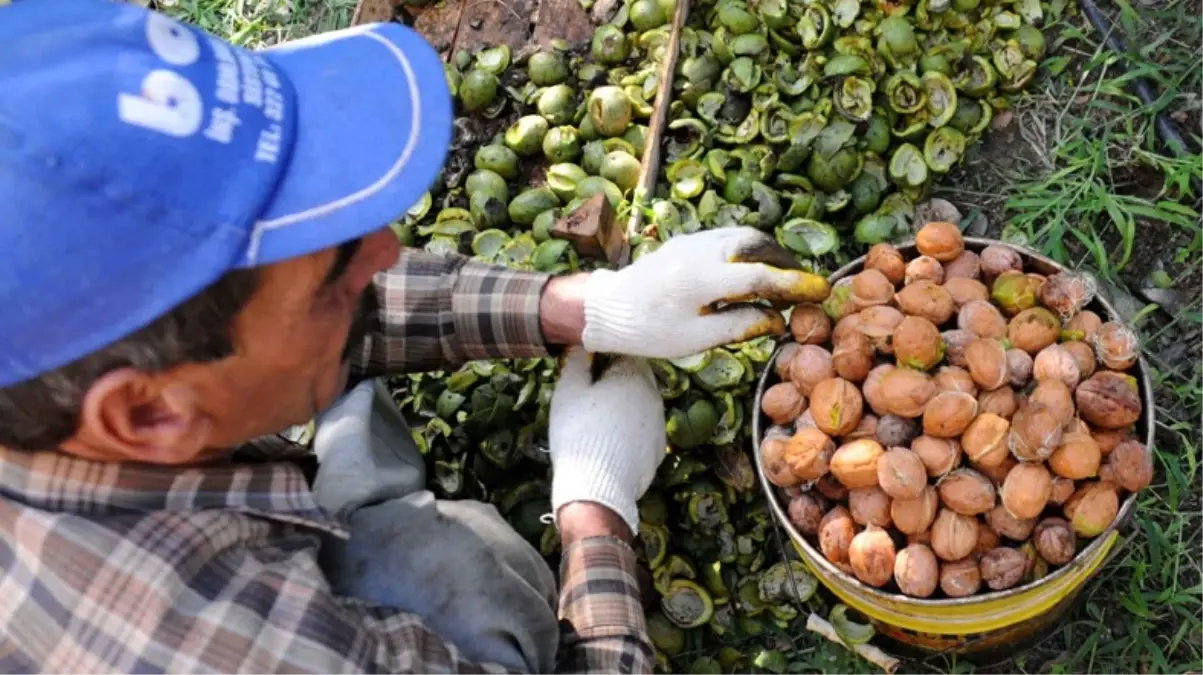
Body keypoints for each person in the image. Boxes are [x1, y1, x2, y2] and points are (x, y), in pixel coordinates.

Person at [0, 1, 830, 673]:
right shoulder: (221, 648)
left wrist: (586, 306)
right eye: (331, 276)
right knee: (470, 583)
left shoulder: (59, 366)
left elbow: (270, 314)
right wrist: (595, 514)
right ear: (147, 417)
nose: (388, 251)